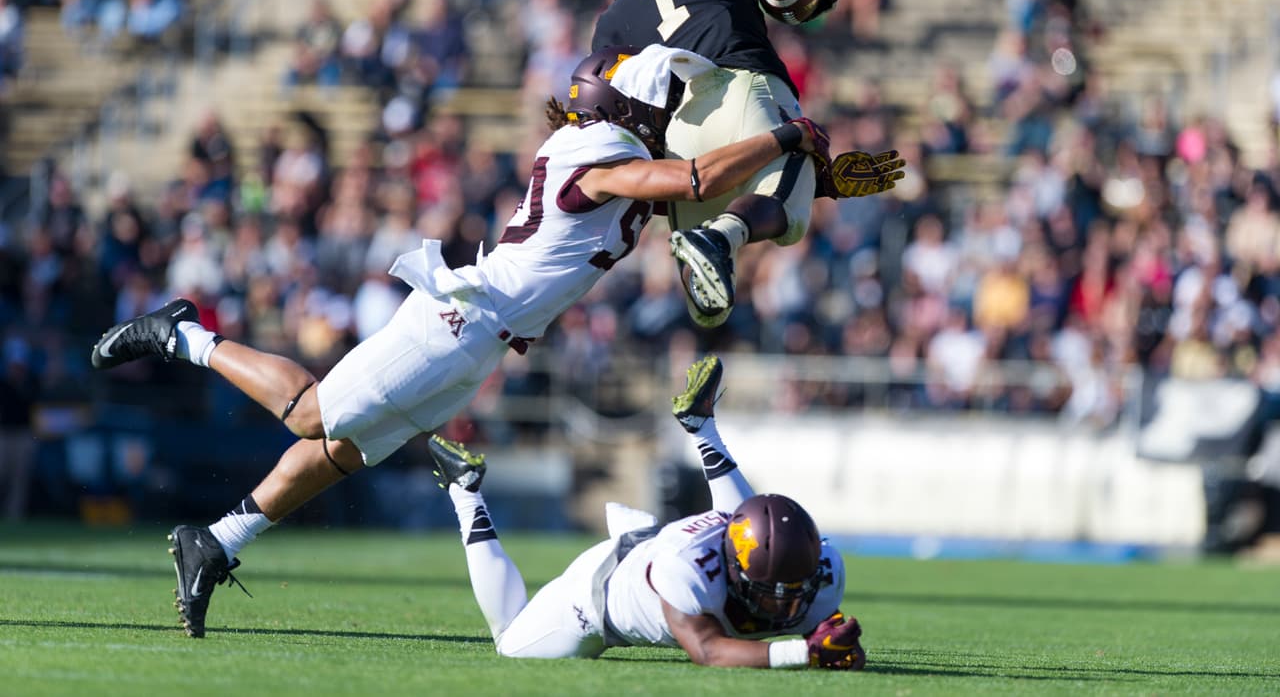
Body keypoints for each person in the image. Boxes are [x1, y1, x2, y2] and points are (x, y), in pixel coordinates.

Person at [87, 43, 832, 639]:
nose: (677, 110)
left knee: (344, 451)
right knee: (314, 415)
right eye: (668, 98)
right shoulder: (593, 148)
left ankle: (217, 541)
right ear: (633, 102)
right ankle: (181, 334)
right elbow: (699, 174)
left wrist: (807, 180)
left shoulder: (624, 163)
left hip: (483, 339)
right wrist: (785, 134)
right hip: (460, 318)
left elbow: (709, 193)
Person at [427, 353, 865, 670]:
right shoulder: (689, 570)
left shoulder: (822, 570)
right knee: (509, 641)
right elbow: (708, 651)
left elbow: (829, 632)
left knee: (738, 513)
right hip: (602, 592)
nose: (781, 606)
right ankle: (466, 492)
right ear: (732, 568)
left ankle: (702, 425)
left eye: (792, 591)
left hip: (664, 542)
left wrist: (839, 645)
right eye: (770, 592)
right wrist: (801, 653)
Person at [591, 0, 857, 328]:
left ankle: (716, 248)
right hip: (740, 85)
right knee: (794, 186)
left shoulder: (608, 26)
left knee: (708, 304)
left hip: (679, 137)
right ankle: (722, 237)